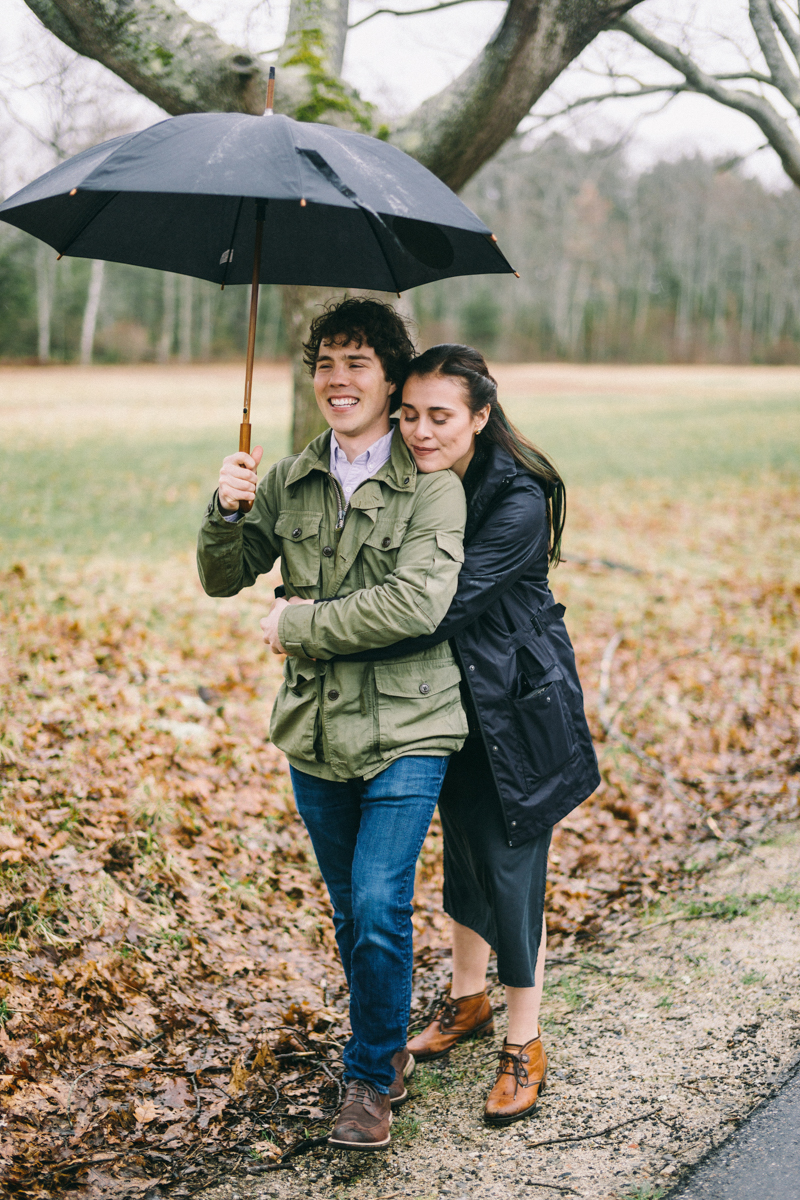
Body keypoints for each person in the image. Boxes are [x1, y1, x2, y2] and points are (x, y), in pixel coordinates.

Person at [290, 343, 600, 1125]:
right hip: (442, 701)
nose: (421, 432)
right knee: (461, 852)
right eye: (411, 414)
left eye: (441, 417)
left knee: (508, 863)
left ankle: (524, 1039)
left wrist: (312, 626)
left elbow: (431, 608)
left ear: (481, 416)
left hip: (514, 705)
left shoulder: (515, 499)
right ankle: (468, 1002)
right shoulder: (423, 480)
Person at [197, 299, 470, 1152]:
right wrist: (229, 508)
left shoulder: (432, 486)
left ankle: (365, 1079)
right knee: (354, 914)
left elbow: (415, 604)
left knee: (381, 901)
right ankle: (388, 1049)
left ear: (391, 379)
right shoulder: (287, 478)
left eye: (358, 362)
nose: (338, 379)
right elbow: (222, 577)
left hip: (411, 724)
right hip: (315, 730)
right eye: (325, 363)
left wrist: (299, 624)